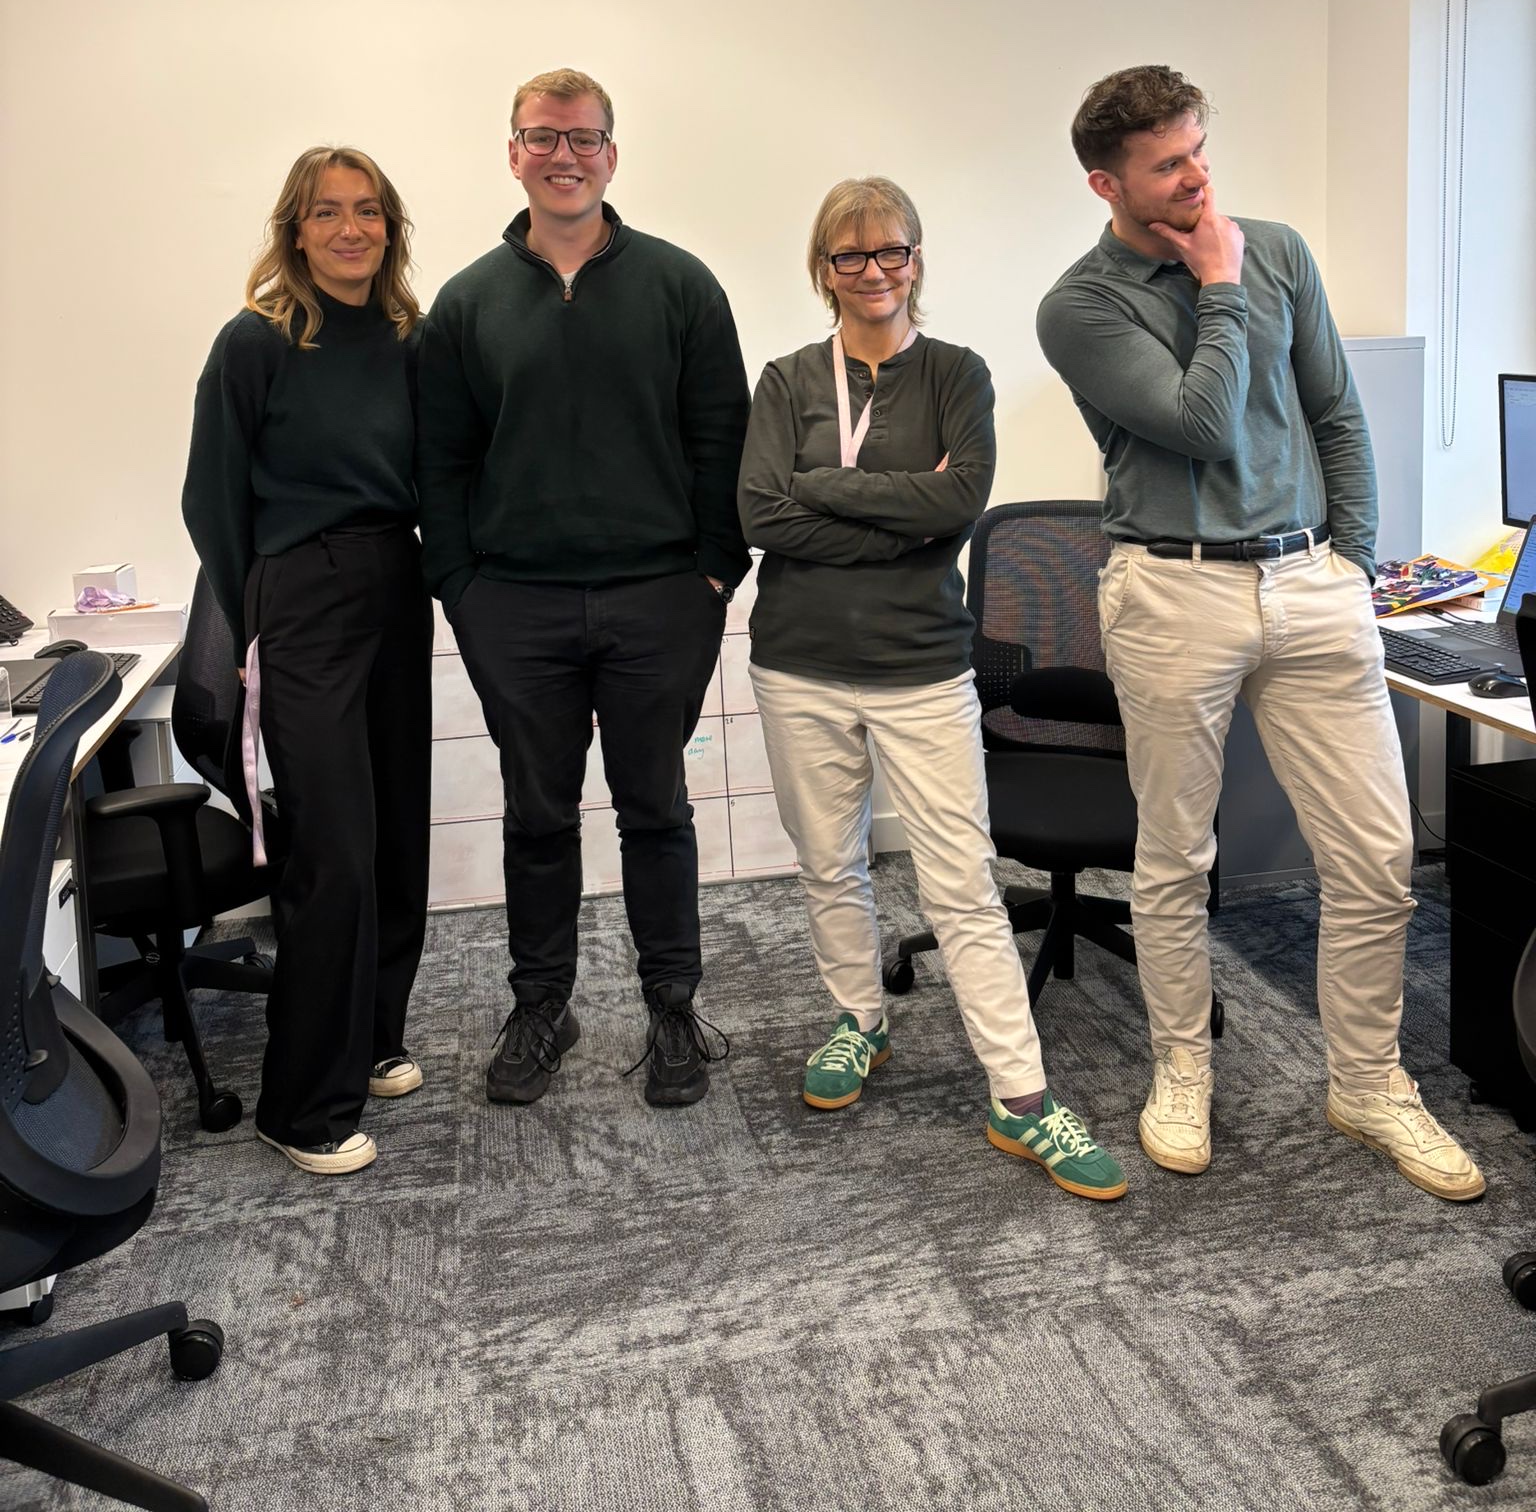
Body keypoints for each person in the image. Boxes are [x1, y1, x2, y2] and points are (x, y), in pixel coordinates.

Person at [1036, 64, 1485, 1201]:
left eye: (1199, 149)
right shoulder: (1081, 306)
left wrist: (1352, 559)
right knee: (1176, 857)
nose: (1197, 177)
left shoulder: (1279, 249)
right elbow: (1201, 421)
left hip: (1310, 579)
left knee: (1377, 857)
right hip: (1173, 590)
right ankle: (1183, 1068)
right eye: (1167, 165)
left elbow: (1336, 412)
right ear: (1105, 184)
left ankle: (1368, 1082)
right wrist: (1220, 283)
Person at [737, 176, 1128, 1201]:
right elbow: (760, 515)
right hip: (799, 662)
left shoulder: (958, 372)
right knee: (830, 862)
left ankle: (1022, 1095)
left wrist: (825, 489)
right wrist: (894, 516)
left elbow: (958, 503)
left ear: (917, 259)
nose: (873, 271)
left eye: (892, 251)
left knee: (960, 881)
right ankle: (858, 1020)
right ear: (823, 269)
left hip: (920, 667)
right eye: (850, 255)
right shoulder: (786, 380)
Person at [416, 67, 750, 1109]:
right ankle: (540, 1006)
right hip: (516, 606)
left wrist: (712, 571)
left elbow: (722, 436)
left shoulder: (681, 285)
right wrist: (461, 585)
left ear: (612, 153)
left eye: (584, 138)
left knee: (656, 808)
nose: (564, 155)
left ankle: (672, 1008)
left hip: (660, 596)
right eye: (543, 136)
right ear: (513, 152)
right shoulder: (466, 303)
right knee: (536, 814)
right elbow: (441, 461)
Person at [182, 146, 432, 1177]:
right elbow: (211, 500)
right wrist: (260, 613)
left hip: (394, 581)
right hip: (303, 595)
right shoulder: (256, 342)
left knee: (395, 834)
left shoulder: (410, 340)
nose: (349, 229)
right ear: (295, 230)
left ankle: (370, 1035)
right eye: (327, 212)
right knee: (332, 848)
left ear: (390, 228)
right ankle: (300, 1106)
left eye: (368, 211)